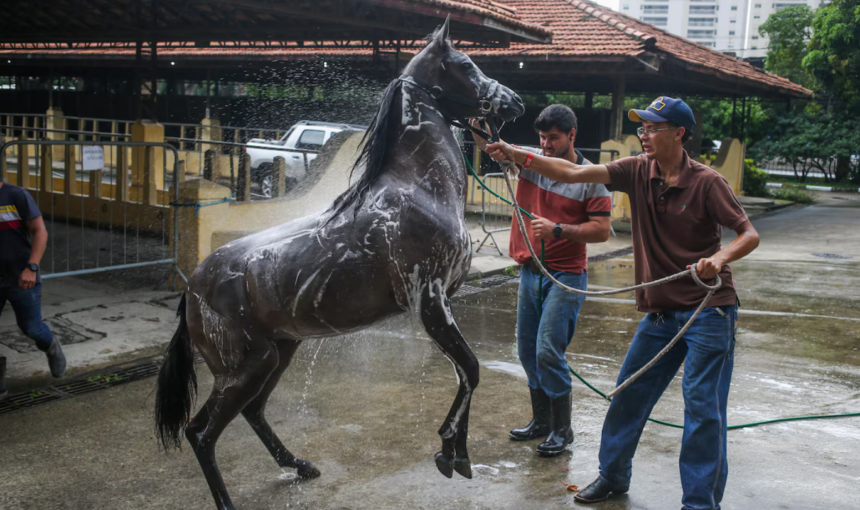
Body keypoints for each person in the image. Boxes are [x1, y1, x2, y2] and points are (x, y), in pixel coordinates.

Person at [485, 96, 760, 509]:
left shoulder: (707, 182)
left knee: (703, 411)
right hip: (660, 312)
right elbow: (573, 170)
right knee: (627, 394)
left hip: (709, 311)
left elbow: (748, 234)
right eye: (642, 128)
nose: (643, 135)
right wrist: (516, 155)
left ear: (678, 133)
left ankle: (699, 504)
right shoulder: (635, 170)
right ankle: (613, 477)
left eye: (652, 128)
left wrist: (718, 259)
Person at [473, 104, 612, 456]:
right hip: (530, 271)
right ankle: (541, 422)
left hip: (565, 276)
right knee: (527, 351)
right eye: (542, 138)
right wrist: (475, 124)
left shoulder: (591, 177)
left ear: (572, 136)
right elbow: (493, 145)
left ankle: (563, 430)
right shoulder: (530, 158)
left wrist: (559, 230)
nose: (546, 145)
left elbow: (602, 230)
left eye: (554, 138)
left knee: (549, 351)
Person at [0, 181, 66, 399]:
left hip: (22, 276)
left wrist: (32, 267)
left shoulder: (16, 195)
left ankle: (51, 346)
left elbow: (40, 231)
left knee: (31, 327)